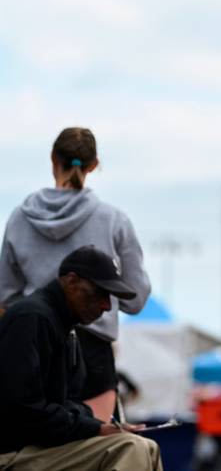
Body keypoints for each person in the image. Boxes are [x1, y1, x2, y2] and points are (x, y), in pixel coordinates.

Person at [0, 126, 152, 421]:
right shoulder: (113, 220)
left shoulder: (20, 218)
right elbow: (136, 300)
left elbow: (6, 296)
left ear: (52, 159)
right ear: (94, 165)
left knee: (40, 456)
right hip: (93, 354)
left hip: (36, 346)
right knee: (98, 454)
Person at [0, 245, 163, 470]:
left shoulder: (63, 326)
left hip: (37, 447)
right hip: (12, 453)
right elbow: (22, 409)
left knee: (147, 446)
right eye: (100, 292)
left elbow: (64, 404)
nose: (107, 306)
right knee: (131, 448)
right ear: (71, 281)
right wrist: (95, 428)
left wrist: (97, 425)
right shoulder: (32, 318)